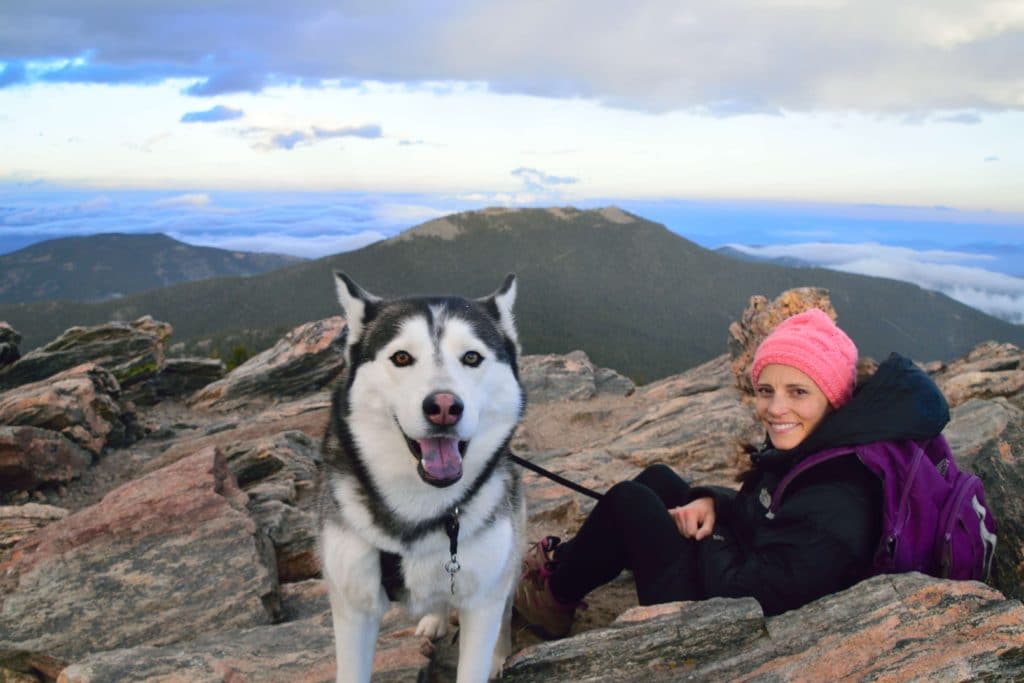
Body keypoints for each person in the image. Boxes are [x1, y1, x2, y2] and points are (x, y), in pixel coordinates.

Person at [514, 308, 950, 638]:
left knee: (634, 504)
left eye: (797, 392)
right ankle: (568, 565)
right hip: (751, 574)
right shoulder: (821, 447)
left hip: (730, 624)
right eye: (766, 391)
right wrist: (710, 503)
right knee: (663, 481)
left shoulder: (839, 498)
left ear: (833, 398)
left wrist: (706, 530)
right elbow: (763, 513)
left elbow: (750, 592)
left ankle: (553, 598)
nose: (776, 409)